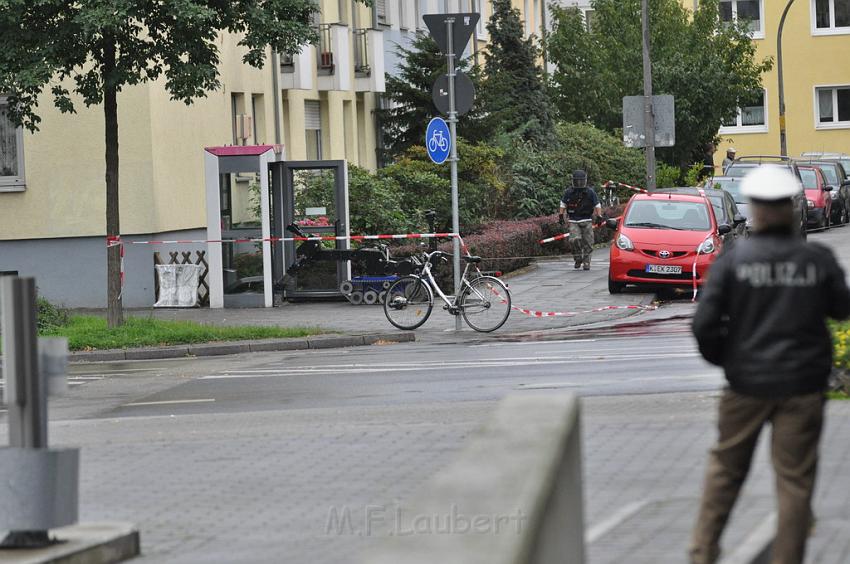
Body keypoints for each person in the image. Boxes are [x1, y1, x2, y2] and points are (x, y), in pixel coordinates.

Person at [689, 166, 850, 564]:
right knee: (794, 481)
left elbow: (704, 324)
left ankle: (703, 553)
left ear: (756, 209)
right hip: (802, 386)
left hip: (745, 385)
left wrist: (728, 360)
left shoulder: (733, 261)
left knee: (725, 472)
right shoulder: (817, 259)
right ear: (793, 208)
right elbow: (842, 309)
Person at [558, 170, 602, 270]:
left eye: (580, 181)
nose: (579, 183)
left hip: (586, 220)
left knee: (588, 242)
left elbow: (597, 204)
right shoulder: (569, 192)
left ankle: (586, 262)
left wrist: (599, 216)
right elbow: (563, 203)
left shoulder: (590, 192)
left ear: (585, 181)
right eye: (576, 181)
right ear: (573, 181)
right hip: (574, 220)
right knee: (574, 240)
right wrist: (561, 215)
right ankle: (578, 258)